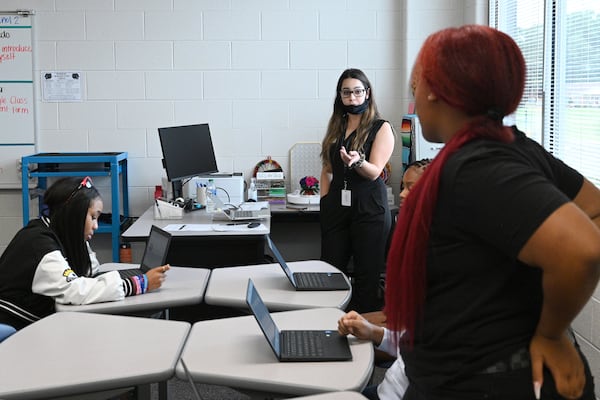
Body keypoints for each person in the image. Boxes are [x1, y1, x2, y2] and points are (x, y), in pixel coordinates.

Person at [385, 25, 600, 400]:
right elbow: (594, 208)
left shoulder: (476, 166)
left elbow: (582, 249)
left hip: (489, 383)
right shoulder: (513, 147)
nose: (415, 98)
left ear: (435, 88)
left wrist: (550, 333)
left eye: (416, 84)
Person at [0, 176, 170, 330]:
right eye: (93, 217)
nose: (96, 226)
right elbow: (74, 290)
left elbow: (89, 271)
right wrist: (139, 283)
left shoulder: (58, 232)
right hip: (16, 328)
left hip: (41, 321)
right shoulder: (41, 244)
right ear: (74, 214)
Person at [338, 159, 431, 400]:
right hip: (390, 385)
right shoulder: (410, 236)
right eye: (403, 186)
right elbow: (414, 338)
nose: (402, 194)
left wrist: (373, 331)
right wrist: (371, 331)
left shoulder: (436, 258)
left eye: (411, 187)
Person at [320, 68, 395, 313]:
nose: (352, 98)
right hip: (337, 209)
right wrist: (325, 199)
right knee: (330, 273)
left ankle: (364, 338)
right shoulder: (336, 128)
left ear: (367, 94)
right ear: (340, 96)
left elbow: (375, 172)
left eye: (357, 92)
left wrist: (357, 162)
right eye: (347, 93)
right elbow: (328, 168)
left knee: (366, 278)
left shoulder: (381, 128)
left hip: (369, 209)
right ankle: (328, 327)